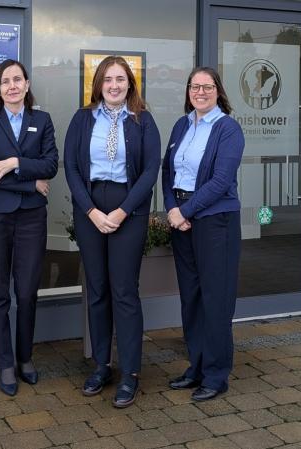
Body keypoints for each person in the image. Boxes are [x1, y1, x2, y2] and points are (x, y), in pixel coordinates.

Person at [64, 55, 160, 408]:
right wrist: (91, 211)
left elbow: (150, 170)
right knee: (97, 289)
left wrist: (121, 211)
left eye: (121, 79)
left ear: (130, 84)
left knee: (124, 291)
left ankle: (130, 372)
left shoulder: (143, 120)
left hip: (128, 208)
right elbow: (71, 167)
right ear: (98, 84)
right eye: (108, 79)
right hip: (90, 207)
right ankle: (101, 366)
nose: (114, 85)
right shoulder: (82, 118)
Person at [0, 59, 58, 396]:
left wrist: (14, 163)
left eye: (17, 80)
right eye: (5, 81)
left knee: (26, 292)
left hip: (32, 218)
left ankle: (25, 358)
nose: (12, 86)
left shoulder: (42, 120)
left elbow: (50, 165)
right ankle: (5, 364)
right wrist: (31, 182)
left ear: (27, 84)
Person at [161, 66, 244, 402]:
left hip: (215, 221)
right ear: (188, 91)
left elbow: (221, 180)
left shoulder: (228, 129)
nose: (200, 92)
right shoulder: (182, 125)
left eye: (207, 87)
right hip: (182, 220)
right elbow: (167, 172)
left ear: (218, 91)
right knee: (192, 297)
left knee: (216, 299)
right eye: (195, 87)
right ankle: (195, 366)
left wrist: (186, 211)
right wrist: (172, 209)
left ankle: (216, 374)